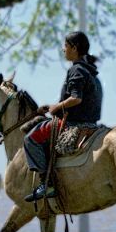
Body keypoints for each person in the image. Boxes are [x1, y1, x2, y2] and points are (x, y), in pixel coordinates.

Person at [23, 31, 103, 202]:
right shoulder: (89, 71)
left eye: (65, 46)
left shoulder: (76, 69)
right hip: (89, 121)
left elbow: (76, 98)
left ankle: (47, 184)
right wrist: (53, 107)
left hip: (73, 124)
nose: (63, 49)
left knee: (31, 139)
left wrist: (57, 107)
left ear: (74, 48)